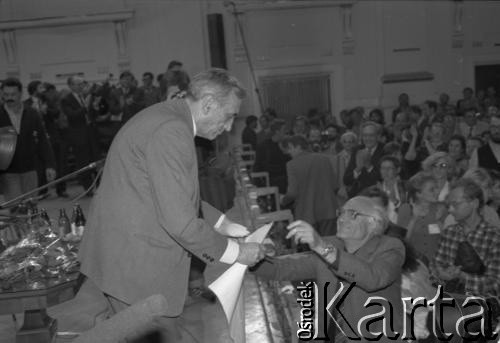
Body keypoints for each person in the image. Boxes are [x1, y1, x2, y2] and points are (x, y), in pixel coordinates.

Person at [78, 69, 266, 342]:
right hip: (136, 269)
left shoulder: (166, 116)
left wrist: (221, 222)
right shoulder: (172, 132)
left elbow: (168, 192)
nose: (228, 128)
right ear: (209, 104)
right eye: (229, 117)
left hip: (123, 258)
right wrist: (237, 252)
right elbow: (181, 223)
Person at [253, 196, 406, 342]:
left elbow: (373, 278)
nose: (341, 219)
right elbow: (282, 268)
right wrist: (247, 255)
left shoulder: (390, 248)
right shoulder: (331, 247)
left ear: (373, 222)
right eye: (340, 213)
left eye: (352, 214)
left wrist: (321, 246)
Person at [434, 179, 500, 298]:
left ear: (474, 203)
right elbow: (435, 268)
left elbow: (496, 284)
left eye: (455, 204)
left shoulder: (493, 237)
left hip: (483, 307)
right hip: (449, 304)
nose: (450, 210)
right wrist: (441, 275)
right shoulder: (449, 233)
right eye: (449, 205)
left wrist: (464, 278)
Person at [0, 78, 56, 202]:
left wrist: (50, 165)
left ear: (20, 94)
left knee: (31, 206)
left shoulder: (32, 113)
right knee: (16, 207)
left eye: (13, 94)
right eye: (6, 94)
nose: (9, 97)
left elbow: (42, 140)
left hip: (31, 169)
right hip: (8, 171)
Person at [281, 135, 338, 235]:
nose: (288, 153)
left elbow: (292, 193)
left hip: (306, 213)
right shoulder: (325, 159)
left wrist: (283, 201)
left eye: (289, 150)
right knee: (329, 245)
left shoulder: (291, 164)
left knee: (312, 247)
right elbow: (335, 185)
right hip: (329, 210)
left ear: (295, 146)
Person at [60, 75, 100, 195]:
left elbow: (92, 114)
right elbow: (72, 115)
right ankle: (88, 189)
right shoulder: (66, 100)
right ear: (71, 86)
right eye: (78, 84)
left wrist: (95, 107)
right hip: (79, 135)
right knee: (83, 162)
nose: (82, 86)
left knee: (96, 159)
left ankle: (100, 185)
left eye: (82, 83)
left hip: (91, 133)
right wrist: (85, 106)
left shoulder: (86, 96)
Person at [397, 172, 447, 264]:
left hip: (436, 264)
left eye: (437, 187)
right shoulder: (406, 209)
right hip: (413, 264)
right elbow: (402, 242)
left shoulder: (441, 209)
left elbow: (447, 242)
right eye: (432, 189)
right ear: (418, 194)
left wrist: (438, 221)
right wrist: (413, 219)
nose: (437, 191)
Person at [343, 121, 385, 197]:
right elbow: (346, 180)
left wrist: (369, 166)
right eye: (365, 135)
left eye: (371, 135)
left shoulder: (385, 150)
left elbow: (383, 178)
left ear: (378, 136)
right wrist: (357, 170)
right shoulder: (357, 150)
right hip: (357, 195)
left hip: (377, 195)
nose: (367, 138)